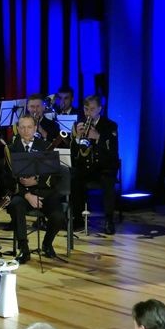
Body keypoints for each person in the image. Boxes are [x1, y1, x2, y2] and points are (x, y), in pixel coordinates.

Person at [5, 115, 69, 263]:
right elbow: (7, 179)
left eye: (29, 127)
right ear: (18, 129)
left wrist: (37, 181)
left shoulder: (46, 146)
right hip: (23, 195)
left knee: (59, 217)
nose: (26, 130)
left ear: (35, 128)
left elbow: (55, 175)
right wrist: (27, 195)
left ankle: (47, 244)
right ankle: (24, 249)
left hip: (45, 193)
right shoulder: (11, 149)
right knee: (15, 205)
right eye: (22, 127)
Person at [69, 95, 120, 235]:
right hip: (86, 168)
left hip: (104, 167)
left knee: (108, 182)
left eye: (92, 109)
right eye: (86, 109)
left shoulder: (110, 126)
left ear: (99, 109)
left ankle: (109, 220)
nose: (88, 113)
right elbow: (74, 153)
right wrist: (77, 138)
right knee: (74, 180)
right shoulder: (78, 124)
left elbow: (113, 151)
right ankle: (78, 218)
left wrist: (98, 137)